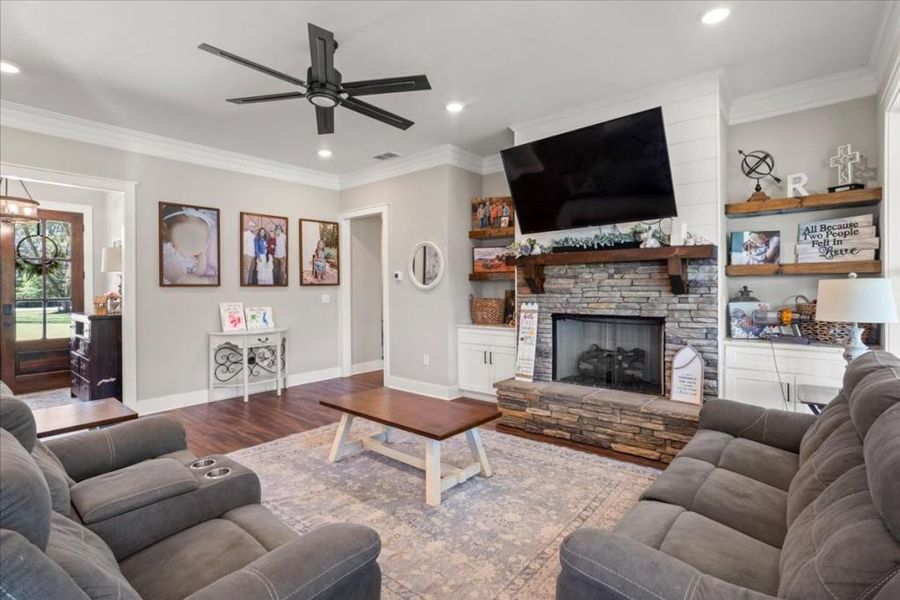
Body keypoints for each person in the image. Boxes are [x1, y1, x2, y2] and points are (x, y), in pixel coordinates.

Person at [161, 207, 217, 285]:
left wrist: (203, 253)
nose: (195, 244)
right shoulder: (168, 254)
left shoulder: (190, 255)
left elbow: (198, 272)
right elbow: (180, 280)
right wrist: (210, 281)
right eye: (187, 235)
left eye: (202, 238)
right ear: (164, 230)